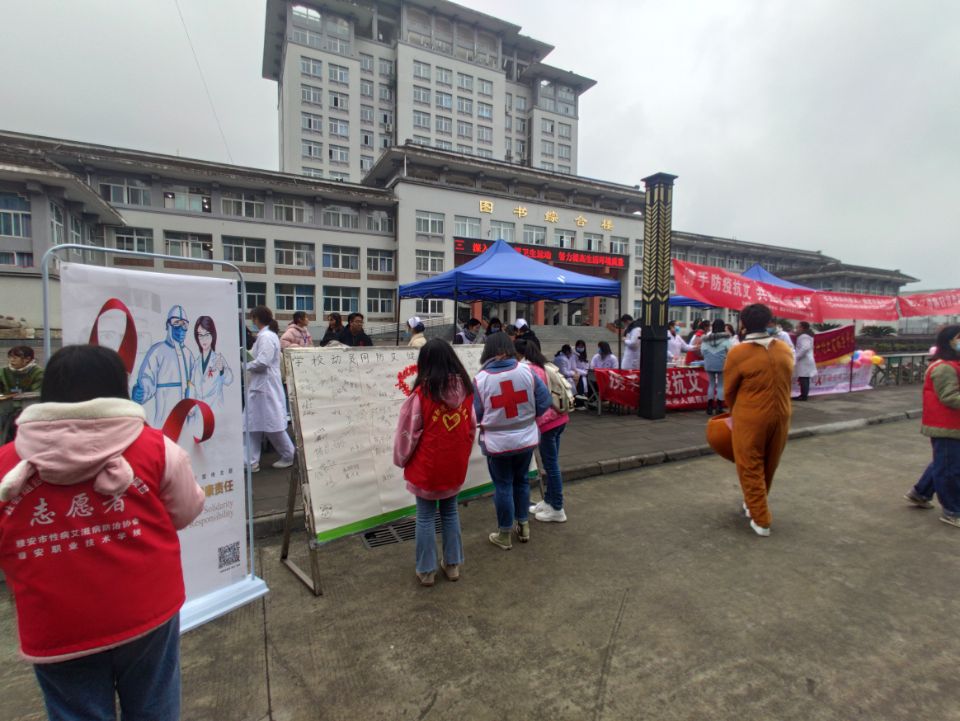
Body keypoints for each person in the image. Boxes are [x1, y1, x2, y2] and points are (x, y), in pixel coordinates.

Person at [0, 344, 204, 721]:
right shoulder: (156, 448)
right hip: (148, 607)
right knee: (154, 706)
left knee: (76, 711)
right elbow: (186, 510)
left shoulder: (6, 464)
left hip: (54, 623)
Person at [393, 339, 476, 585]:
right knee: (450, 512)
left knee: (425, 517)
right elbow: (471, 428)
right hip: (454, 465)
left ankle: (426, 571)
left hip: (427, 467)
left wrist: (400, 459)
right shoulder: (467, 391)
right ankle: (453, 565)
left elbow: (407, 434)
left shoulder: (422, 394)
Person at [472, 333, 550, 550]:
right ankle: (523, 526)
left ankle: (504, 534)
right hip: (525, 440)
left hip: (497, 444)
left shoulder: (481, 379)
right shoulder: (527, 371)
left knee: (503, 485)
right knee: (522, 481)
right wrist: (528, 417)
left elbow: (475, 414)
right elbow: (545, 401)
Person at [723, 303, 795, 536]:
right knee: (769, 463)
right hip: (782, 413)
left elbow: (729, 390)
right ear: (769, 322)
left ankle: (761, 518)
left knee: (750, 464)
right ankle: (754, 503)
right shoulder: (783, 348)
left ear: (743, 323)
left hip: (750, 415)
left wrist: (734, 412)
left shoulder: (738, 352)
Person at [903, 324, 960, 528]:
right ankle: (953, 510)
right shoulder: (944, 367)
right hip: (945, 426)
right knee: (950, 470)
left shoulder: (954, 364)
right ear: (949, 341)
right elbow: (949, 397)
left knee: (944, 463)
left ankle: (920, 493)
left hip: (953, 424)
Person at [517, 339, 569, 523]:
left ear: (519, 354)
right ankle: (549, 501)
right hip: (560, 418)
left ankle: (558, 508)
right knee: (552, 464)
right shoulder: (542, 365)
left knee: (551, 466)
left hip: (548, 423)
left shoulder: (527, 370)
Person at [246, 306, 296, 472]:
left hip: (265, 386)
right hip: (261, 386)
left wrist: (245, 365)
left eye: (253, 318)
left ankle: (289, 454)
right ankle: (251, 461)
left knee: (272, 425)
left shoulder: (266, 336)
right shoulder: (266, 335)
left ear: (256, 319)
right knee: (252, 425)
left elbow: (263, 362)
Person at [132, 305, 198, 427]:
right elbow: (147, 378)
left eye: (184, 324)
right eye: (176, 323)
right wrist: (142, 392)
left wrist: (192, 403)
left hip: (186, 421)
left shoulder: (188, 355)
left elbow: (194, 382)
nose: (181, 329)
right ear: (168, 325)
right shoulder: (157, 351)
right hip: (164, 421)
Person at [193, 316, 234, 409]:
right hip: (199, 412)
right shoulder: (196, 363)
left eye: (207, 334)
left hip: (215, 409)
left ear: (213, 335)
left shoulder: (218, 358)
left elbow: (229, 380)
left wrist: (222, 370)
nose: (204, 339)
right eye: (200, 335)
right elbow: (193, 388)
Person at [700, 319, 734, 415]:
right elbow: (731, 351)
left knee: (711, 384)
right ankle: (719, 407)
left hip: (709, 364)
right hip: (722, 364)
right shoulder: (726, 339)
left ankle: (709, 407)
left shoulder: (706, 339)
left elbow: (702, 352)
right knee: (720, 385)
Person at [793, 321, 817, 401]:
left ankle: (803, 396)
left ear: (802, 328)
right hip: (805, 360)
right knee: (804, 378)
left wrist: (797, 356)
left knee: (804, 378)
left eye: (797, 327)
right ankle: (803, 395)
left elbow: (805, 348)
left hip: (805, 360)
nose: (796, 329)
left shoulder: (804, 336)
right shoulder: (806, 335)